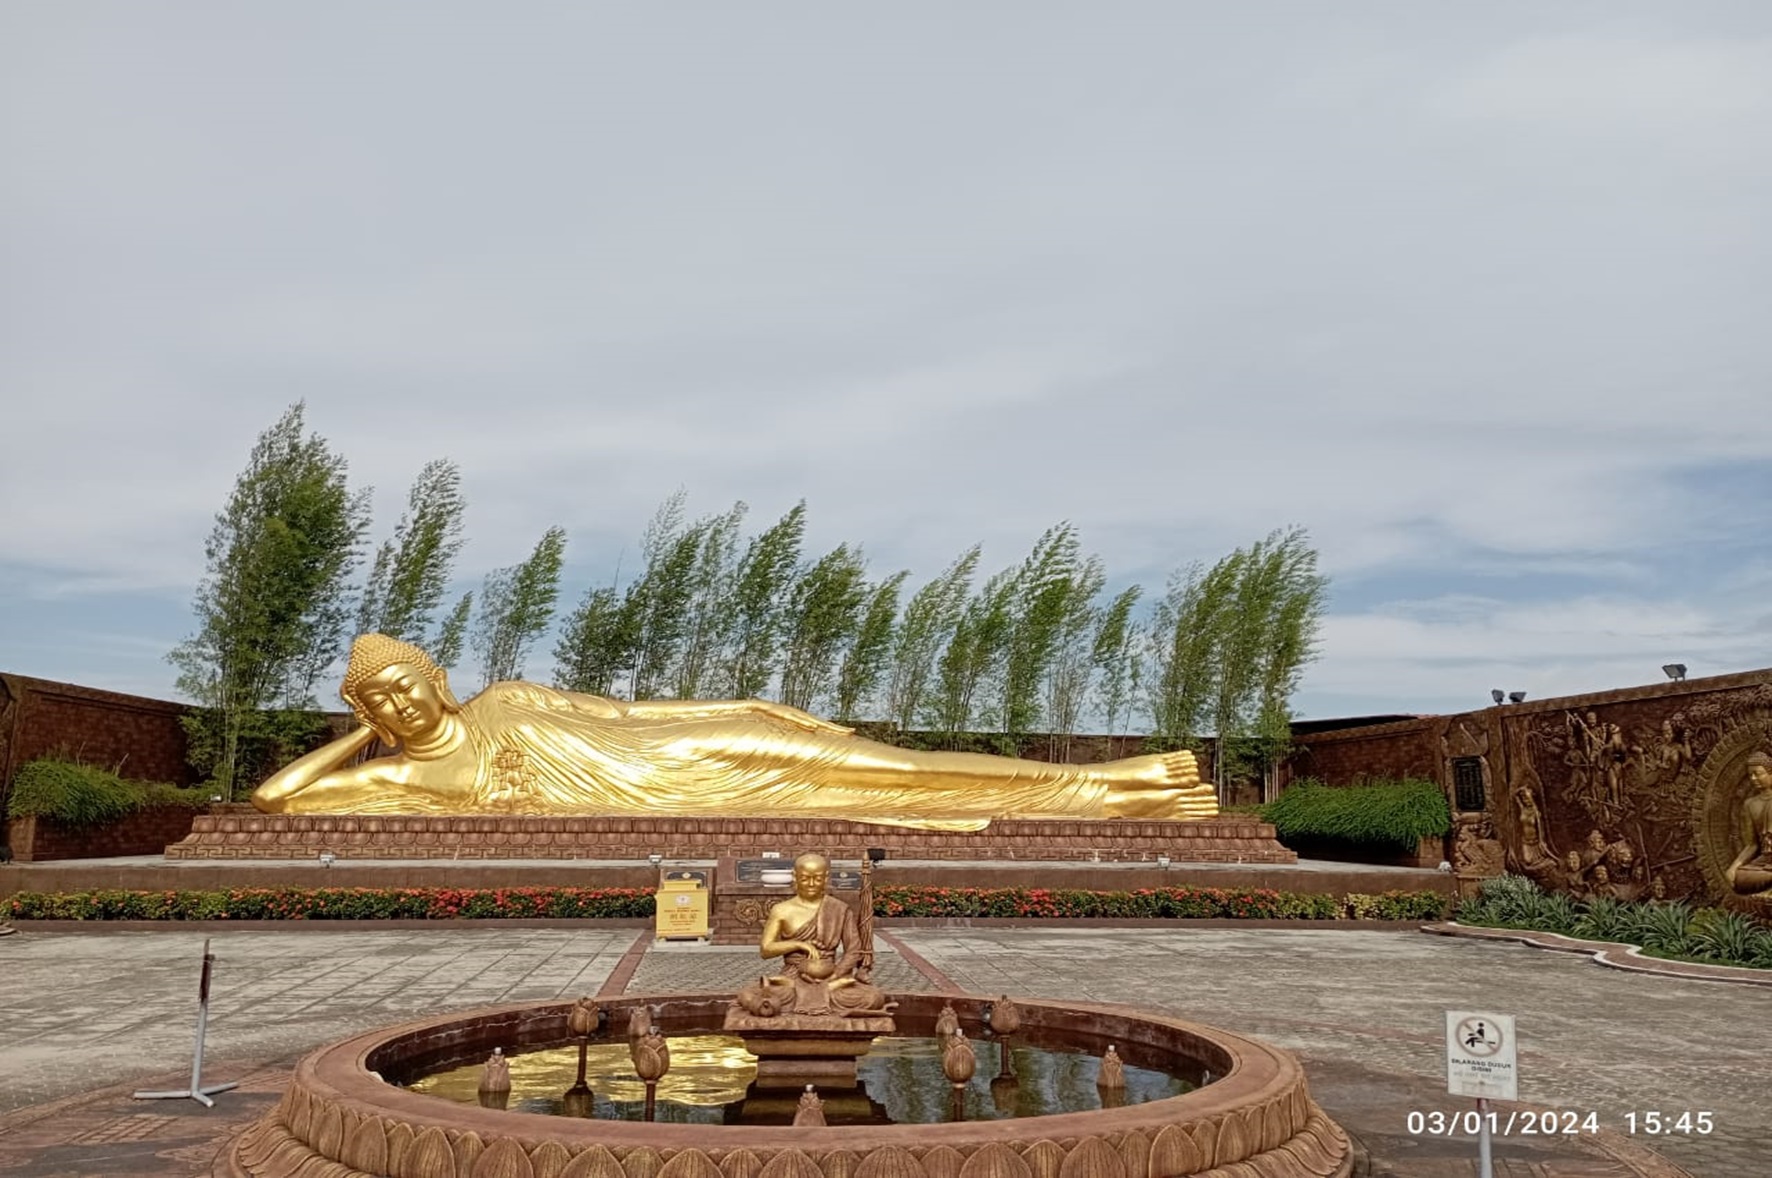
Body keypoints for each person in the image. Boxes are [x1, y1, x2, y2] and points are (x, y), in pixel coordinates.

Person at [251, 634, 1218, 829]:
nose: (406, 705)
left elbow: (625, 717)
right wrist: (354, 736)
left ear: (439, 678)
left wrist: (752, 711)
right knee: (891, 790)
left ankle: (1113, 781)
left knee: (891, 767)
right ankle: (1113, 790)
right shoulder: (403, 781)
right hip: (690, 802)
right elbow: (273, 801)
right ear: (372, 712)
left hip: (691, 753)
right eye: (385, 701)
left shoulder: (502, 701)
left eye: (412, 685)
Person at [737, 852, 889, 1018]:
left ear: (825, 878)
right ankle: (815, 994)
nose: (811, 884)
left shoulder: (839, 909)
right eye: (804, 878)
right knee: (747, 995)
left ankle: (821, 992)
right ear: (795, 877)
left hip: (831, 976)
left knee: (873, 998)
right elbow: (766, 949)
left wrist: (835, 975)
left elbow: (853, 950)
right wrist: (799, 944)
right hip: (792, 978)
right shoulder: (782, 910)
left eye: (817, 879)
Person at [1725, 751, 1772, 896]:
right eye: (1750, 775)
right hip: (1765, 862)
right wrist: (1734, 867)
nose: (1753, 778)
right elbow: (1752, 845)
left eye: (1758, 773)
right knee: (1738, 878)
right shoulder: (1750, 804)